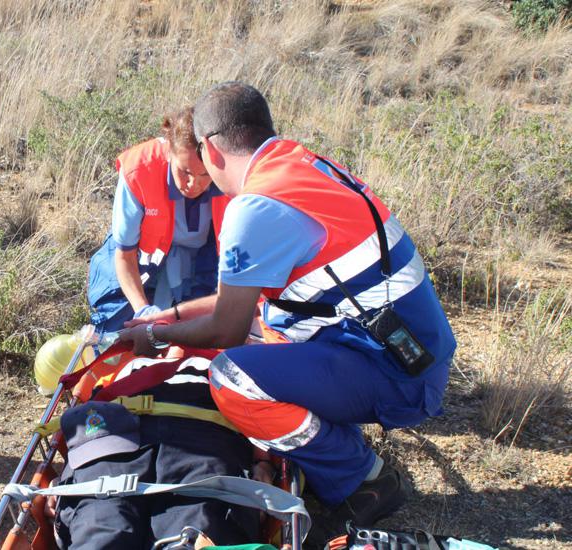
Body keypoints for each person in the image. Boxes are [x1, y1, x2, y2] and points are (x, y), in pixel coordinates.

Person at [119, 82, 456, 533]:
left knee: (232, 377)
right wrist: (174, 315)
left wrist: (155, 336)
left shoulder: (255, 206)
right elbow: (248, 300)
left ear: (211, 150)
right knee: (273, 327)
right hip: (408, 350)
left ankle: (361, 479)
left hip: (398, 373)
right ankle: (334, 444)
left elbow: (227, 330)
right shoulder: (299, 165)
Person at [51, 350, 264, 549]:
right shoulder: (118, 364)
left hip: (201, 439)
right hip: (115, 441)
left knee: (195, 528)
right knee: (104, 525)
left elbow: (265, 422)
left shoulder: (232, 363)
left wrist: (265, 464)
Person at [88, 107, 231, 334]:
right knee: (118, 332)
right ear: (169, 153)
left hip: (199, 263)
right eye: (184, 172)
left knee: (199, 334)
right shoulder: (139, 170)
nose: (193, 184)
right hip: (137, 258)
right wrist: (143, 312)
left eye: (205, 175)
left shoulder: (229, 175)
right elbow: (124, 255)